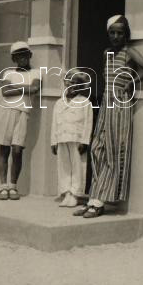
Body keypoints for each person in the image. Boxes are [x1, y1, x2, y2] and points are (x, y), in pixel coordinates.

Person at [74, 15, 143, 218]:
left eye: (120, 33)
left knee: (112, 151)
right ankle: (93, 197)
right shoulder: (107, 53)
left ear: (126, 34)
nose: (116, 36)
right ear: (108, 34)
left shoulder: (130, 52)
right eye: (112, 32)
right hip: (106, 103)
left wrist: (132, 81)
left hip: (120, 103)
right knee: (96, 148)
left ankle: (98, 202)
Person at [0, 41, 41, 201]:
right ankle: (3, 187)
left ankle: (13, 186)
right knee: (4, 148)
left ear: (30, 55)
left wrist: (15, 87)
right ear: (14, 59)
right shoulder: (8, 73)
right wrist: (24, 88)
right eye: (18, 56)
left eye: (25, 55)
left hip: (24, 112)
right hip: (7, 111)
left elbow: (34, 89)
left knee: (17, 150)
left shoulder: (36, 73)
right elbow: (5, 92)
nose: (22, 58)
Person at [51, 69, 93, 208]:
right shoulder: (59, 103)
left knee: (77, 166)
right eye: (70, 83)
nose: (72, 87)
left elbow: (88, 123)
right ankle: (66, 192)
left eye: (76, 84)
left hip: (77, 139)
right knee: (64, 166)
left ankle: (75, 193)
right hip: (62, 137)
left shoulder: (85, 102)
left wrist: (85, 141)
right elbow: (54, 123)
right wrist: (53, 141)